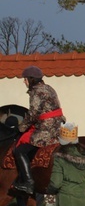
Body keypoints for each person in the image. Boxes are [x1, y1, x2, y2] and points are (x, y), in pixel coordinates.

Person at [13, 65, 65, 195]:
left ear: (31, 79)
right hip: (57, 128)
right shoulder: (49, 88)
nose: (24, 82)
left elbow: (33, 114)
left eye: (25, 79)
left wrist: (21, 128)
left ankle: (28, 182)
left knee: (19, 151)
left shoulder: (36, 91)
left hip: (45, 130)